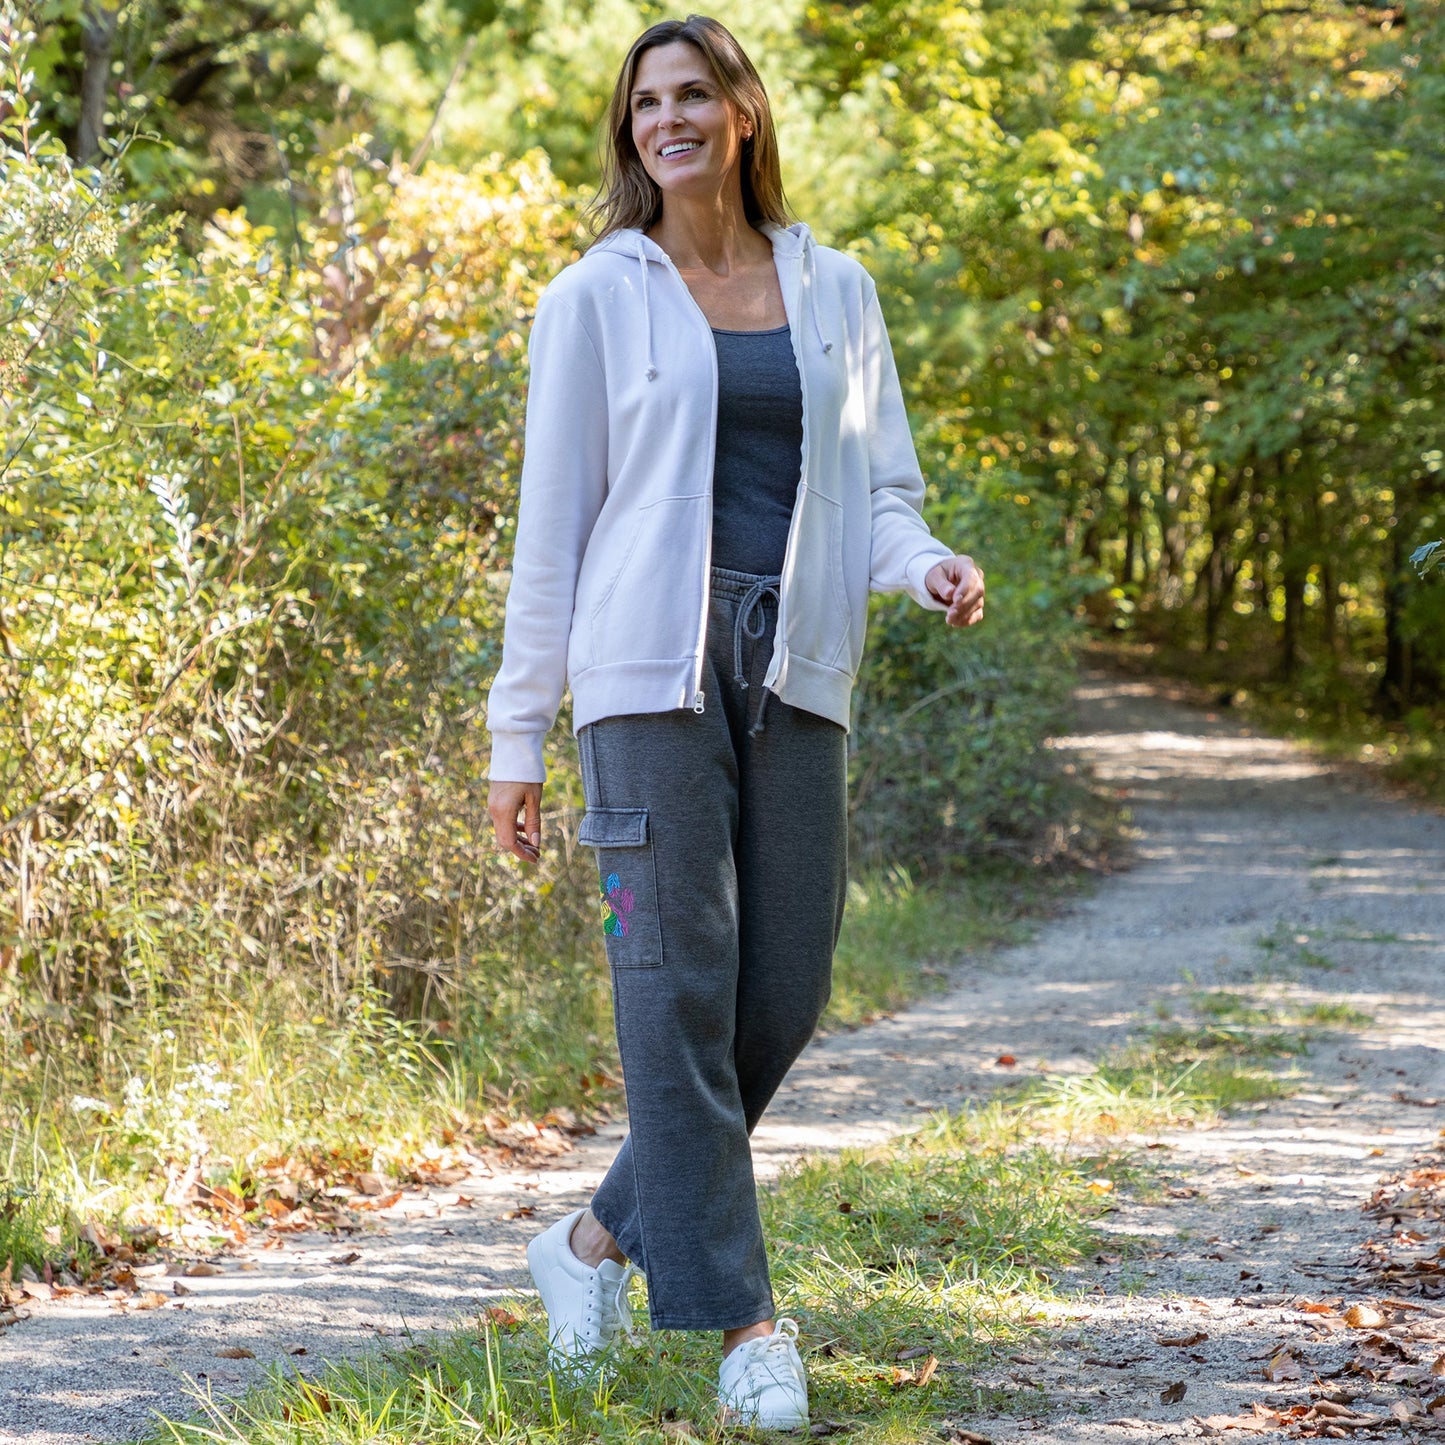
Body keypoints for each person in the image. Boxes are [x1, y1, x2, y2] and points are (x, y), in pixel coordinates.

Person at [485, 13, 985, 1429]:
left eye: (693, 93)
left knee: (780, 992)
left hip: (798, 669)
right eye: (646, 103)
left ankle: (586, 1245)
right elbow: (551, 530)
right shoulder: (593, 296)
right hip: (645, 678)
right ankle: (743, 1328)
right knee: (674, 991)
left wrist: (926, 563)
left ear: (743, 113)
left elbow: (880, 492)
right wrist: (514, 736)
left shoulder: (835, 289)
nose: (668, 120)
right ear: (629, 132)